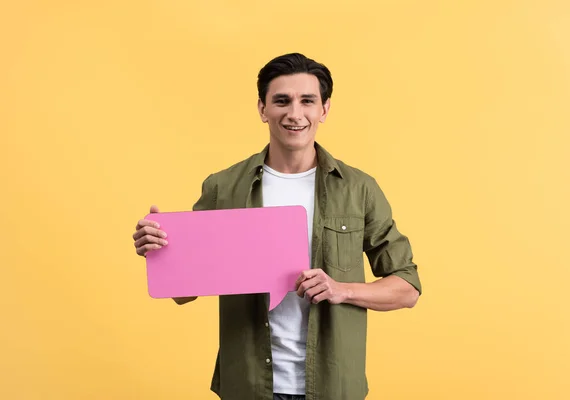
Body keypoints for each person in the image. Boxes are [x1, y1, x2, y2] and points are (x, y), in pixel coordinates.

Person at [132, 53, 422, 400]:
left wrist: (341, 290)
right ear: (262, 109)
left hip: (333, 386)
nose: (295, 113)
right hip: (249, 385)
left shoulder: (358, 189)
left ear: (324, 110)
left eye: (307, 101)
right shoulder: (224, 187)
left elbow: (407, 288)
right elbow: (183, 292)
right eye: (281, 101)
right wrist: (160, 252)